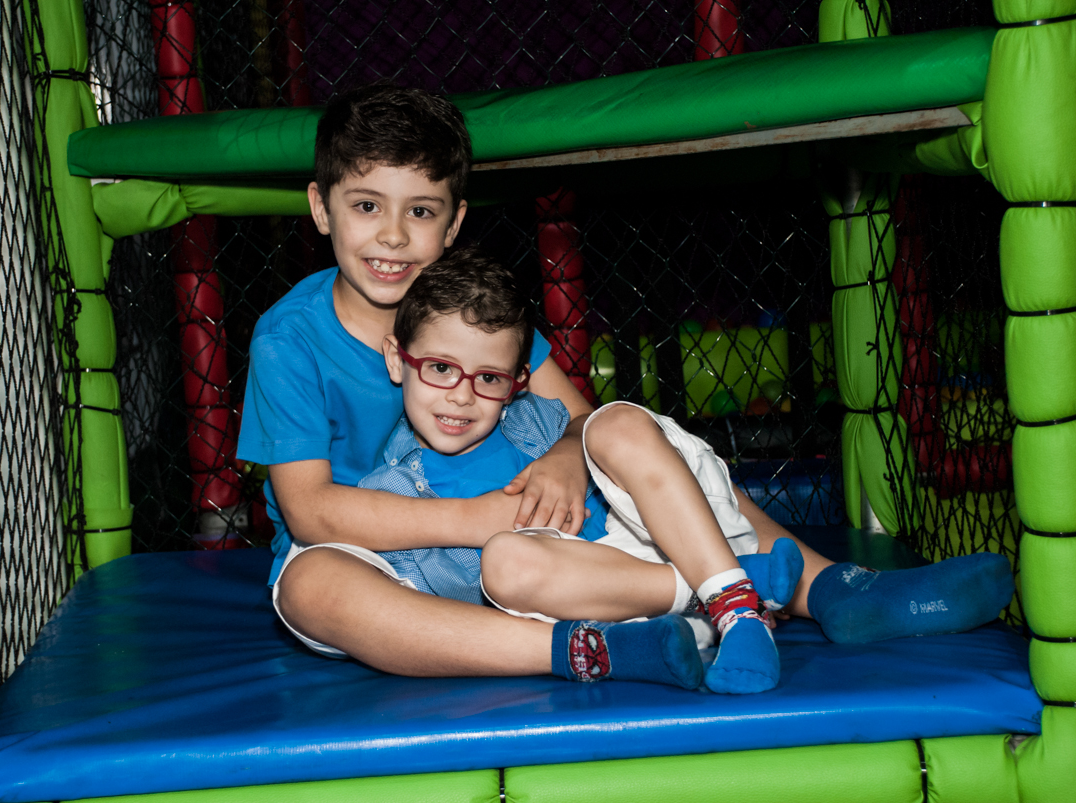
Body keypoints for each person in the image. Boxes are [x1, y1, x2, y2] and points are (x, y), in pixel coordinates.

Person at [238, 83, 1013, 692]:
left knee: (628, 436)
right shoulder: (290, 338)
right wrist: (474, 520)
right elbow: (308, 507)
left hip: (545, 547)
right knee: (312, 587)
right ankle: (588, 651)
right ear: (321, 207)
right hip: (396, 564)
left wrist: (568, 459)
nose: (394, 236)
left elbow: (583, 418)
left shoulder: (467, 313)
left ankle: (830, 588)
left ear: (454, 223)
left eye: (422, 211)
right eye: (367, 207)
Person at [359, 249, 1017, 693]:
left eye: (489, 378)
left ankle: (800, 593)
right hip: (634, 610)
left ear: (519, 382)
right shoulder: (390, 492)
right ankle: (740, 591)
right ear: (399, 359)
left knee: (611, 422)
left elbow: (610, 438)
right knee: (503, 563)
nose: (461, 395)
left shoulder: (532, 420)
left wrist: (570, 444)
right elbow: (432, 608)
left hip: (674, 529)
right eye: (439, 368)